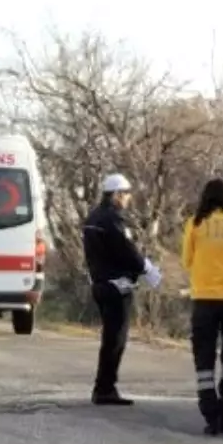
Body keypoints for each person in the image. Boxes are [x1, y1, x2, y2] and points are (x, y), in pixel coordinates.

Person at [82, 173, 162, 406]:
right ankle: (105, 388)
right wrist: (146, 268)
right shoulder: (112, 220)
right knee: (115, 339)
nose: (128, 198)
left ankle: (104, 387)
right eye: (125, 193)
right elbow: (125, 250)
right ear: (116, 195)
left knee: (110, 337)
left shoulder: (93, 218)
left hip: (99, 283)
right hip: (116, 286)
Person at [182, 178, 223, 435]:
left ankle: (210, 414)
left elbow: (188, 260)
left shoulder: (195, 225)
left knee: (204, 360)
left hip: (205, 301)